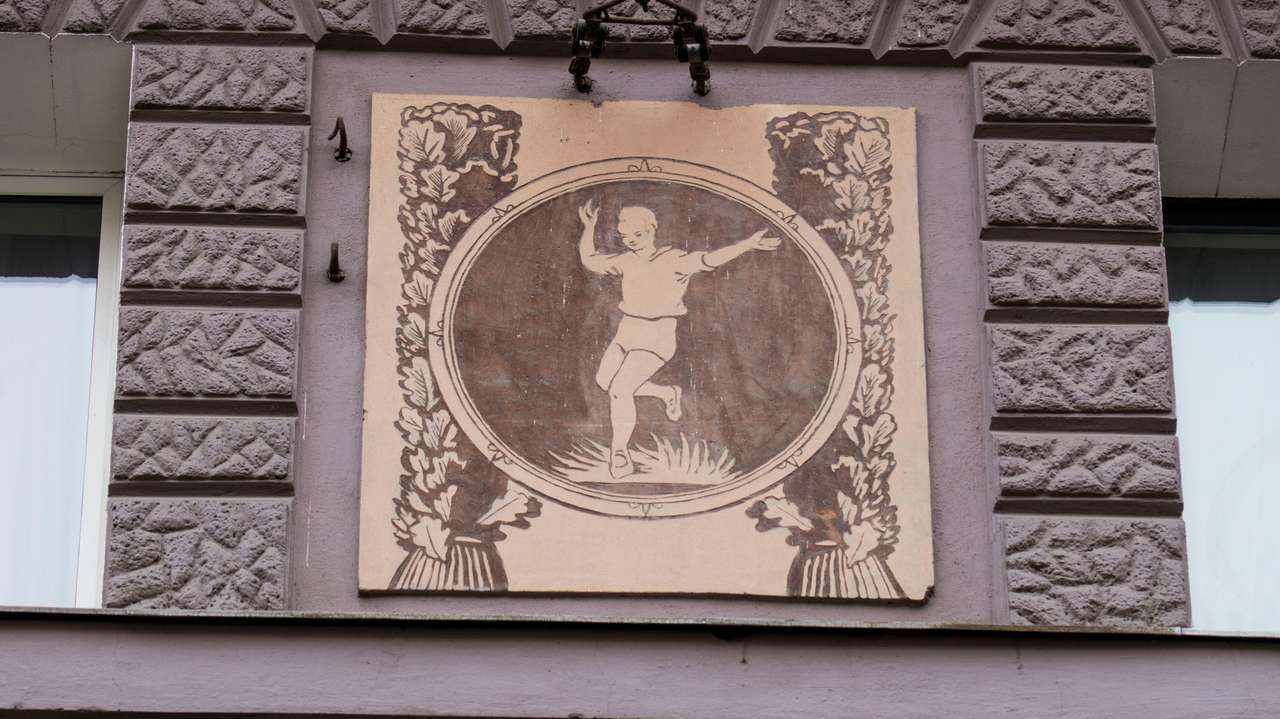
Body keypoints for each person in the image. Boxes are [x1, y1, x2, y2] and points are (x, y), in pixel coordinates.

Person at [577, 199, 782, 479]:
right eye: (625, 236)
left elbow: (709, 259)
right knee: (605, 382)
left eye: (638, 234)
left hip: (656, 337)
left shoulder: (674, 260)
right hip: (627, 331)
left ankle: (620, 453)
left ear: (652, 229)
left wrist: (748, 244)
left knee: (620, 390)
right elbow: (590, 260)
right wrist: (589, 227)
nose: (632, 240)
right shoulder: (625, 260)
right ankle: (666, 393)